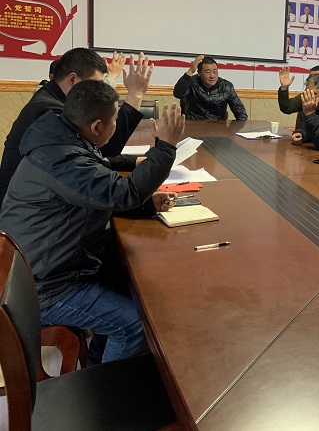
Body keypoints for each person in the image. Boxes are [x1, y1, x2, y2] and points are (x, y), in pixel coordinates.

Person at [0, 80, 185, 363]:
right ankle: (104, 384)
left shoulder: (58, 136)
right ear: (97, 126)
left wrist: (147, 203)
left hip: (44, 268)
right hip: (44, 288)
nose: (117, 125)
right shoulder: (62, 159)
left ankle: (97, 361)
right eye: (115, 120)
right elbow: (124, 194)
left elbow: (96, 183)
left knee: (129, 286)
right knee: (134, 325)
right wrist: (166, 147)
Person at [0, 48, 151, 206]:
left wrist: (133, 161)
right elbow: (105, 148)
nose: (99, 91)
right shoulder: (50, 111)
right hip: (24, 208)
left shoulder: (50, 96)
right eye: (95, 85)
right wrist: (136, 94)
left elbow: (89, 153)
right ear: (72, 79)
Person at [173, 55, 247, 121]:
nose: (212, 76)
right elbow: (178, 94)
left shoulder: (226, 86)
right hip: (194, 126)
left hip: (219, 127)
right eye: (208, 72)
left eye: (215, 72)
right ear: (199, 73)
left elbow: (241, 113)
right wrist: (190, 71)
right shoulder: (191, 83)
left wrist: (236, 130)